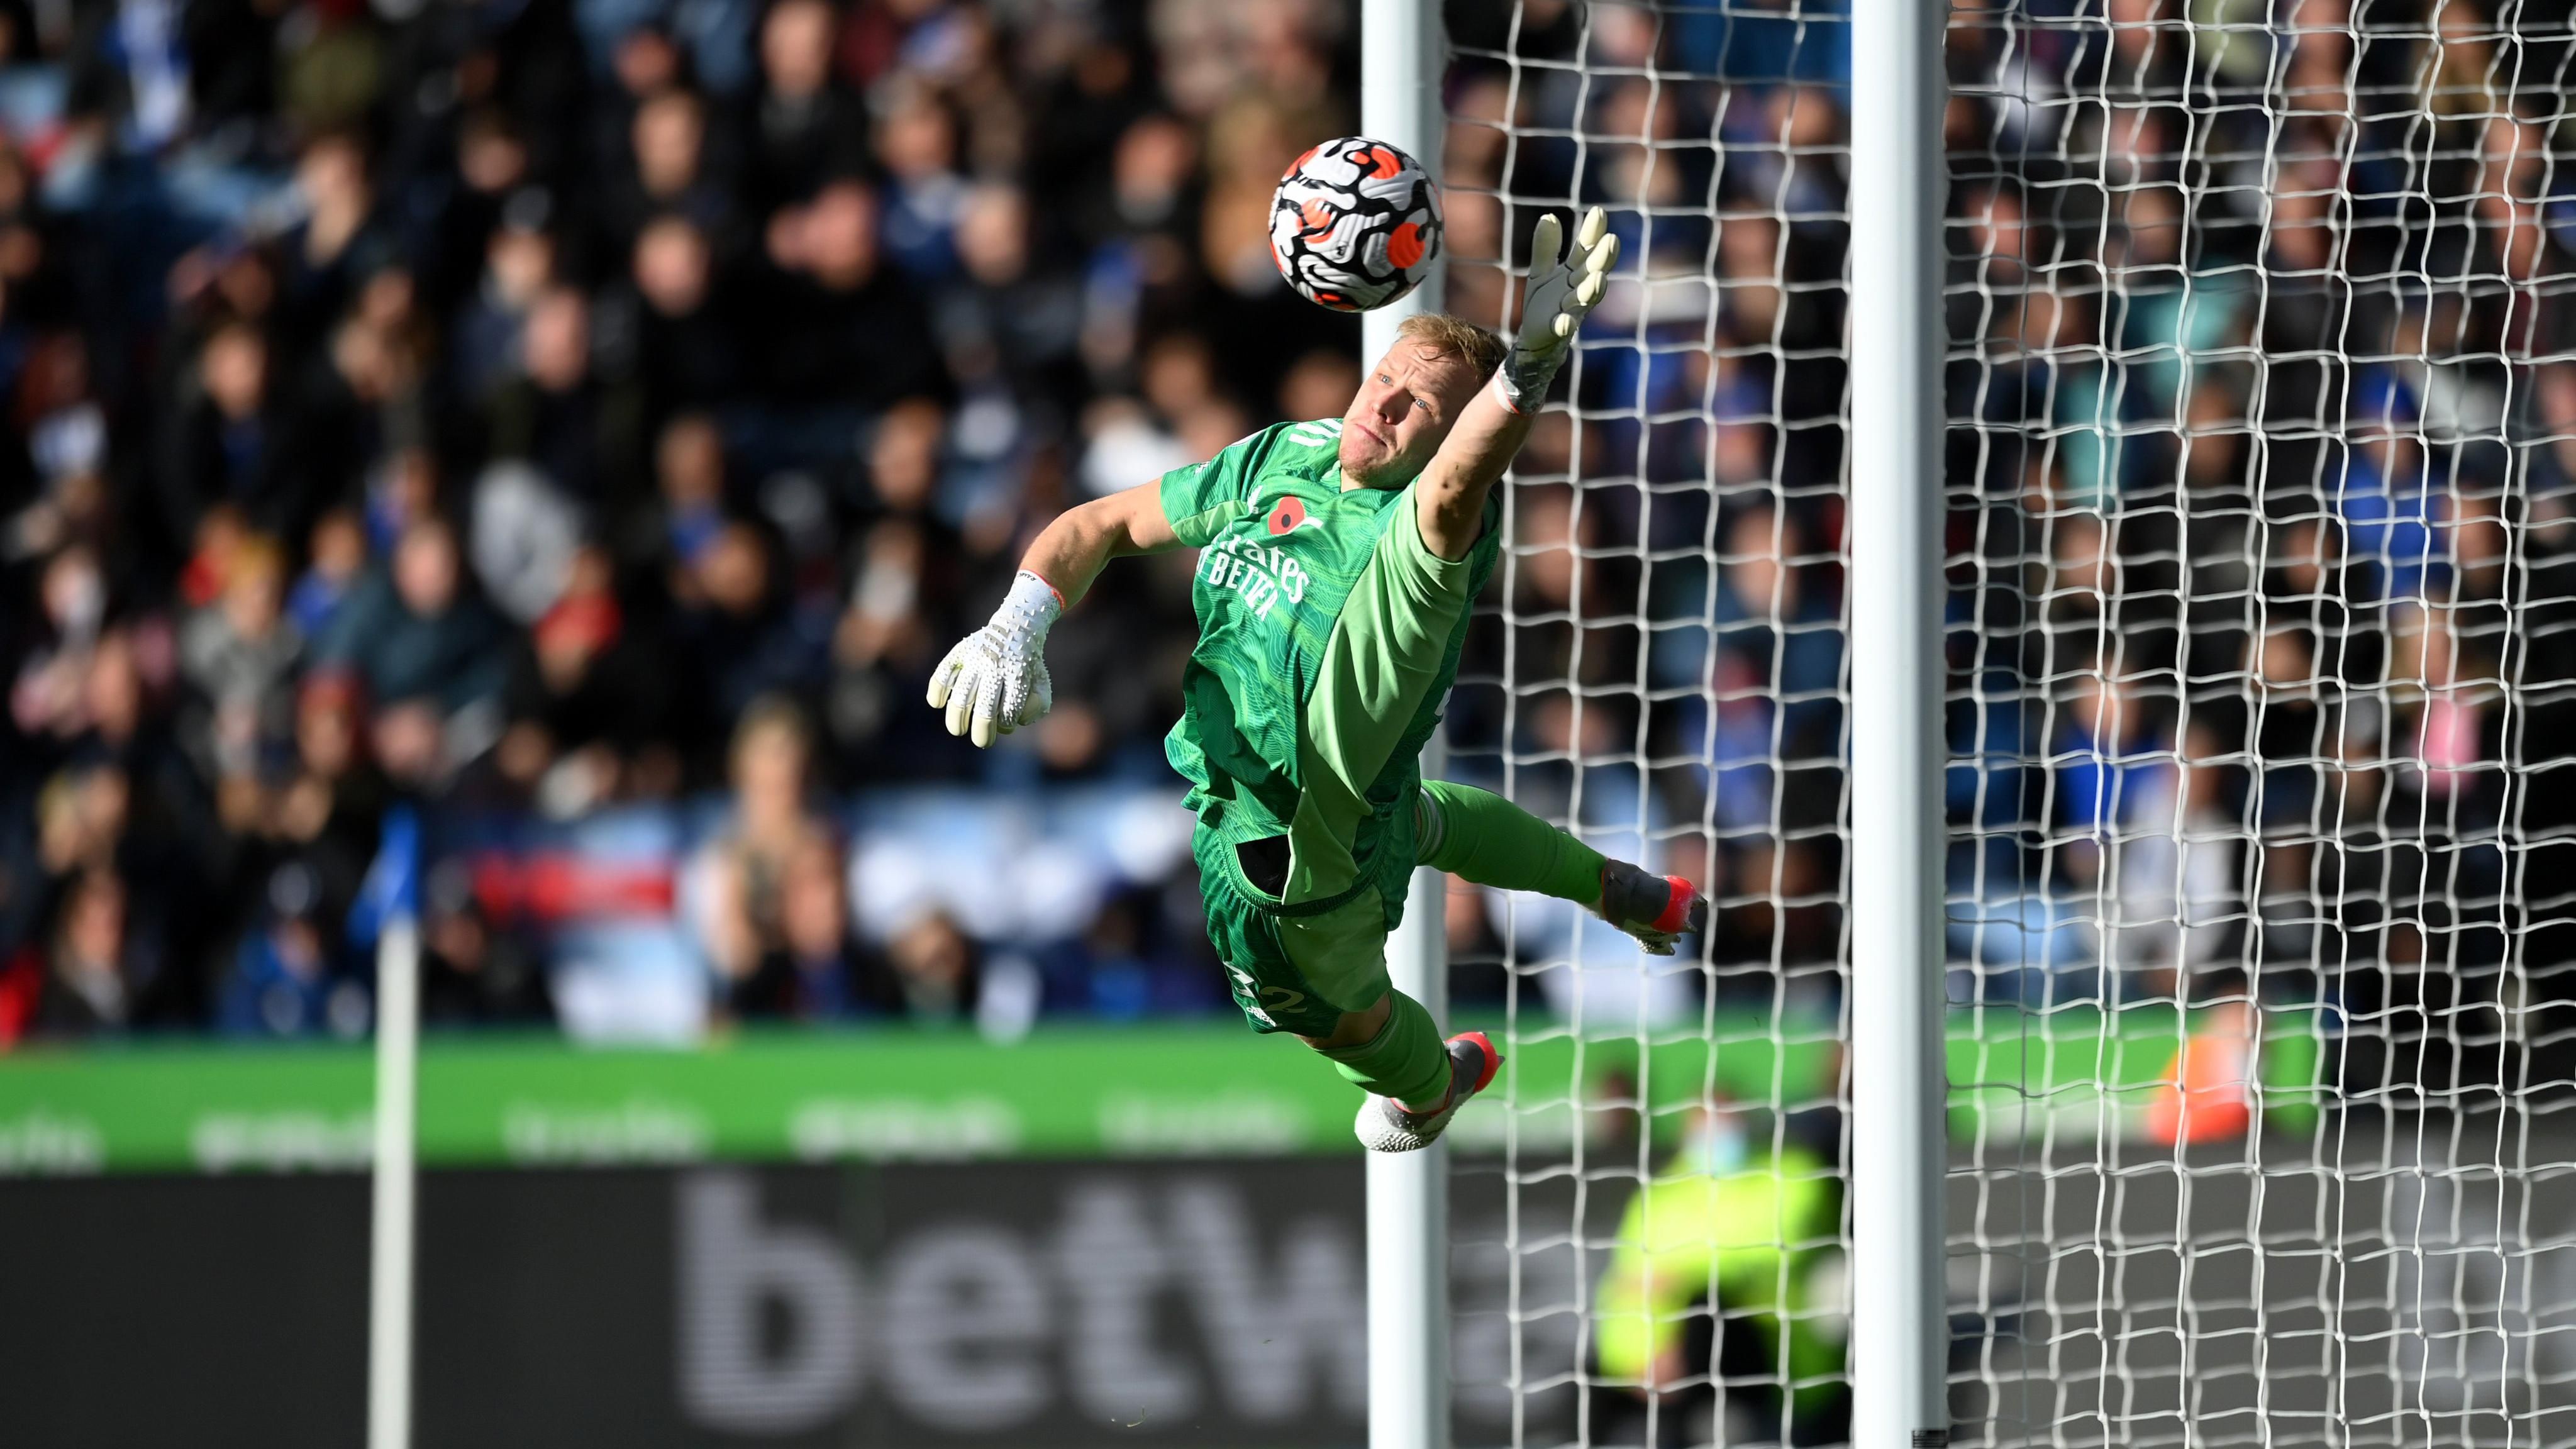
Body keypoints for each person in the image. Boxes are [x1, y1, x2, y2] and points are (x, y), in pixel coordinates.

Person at [928, 210, 1705, 1152]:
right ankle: (1607, 883)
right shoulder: (1285, 455)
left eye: (1416, 407)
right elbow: (1102, 524)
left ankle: (1436, 1084)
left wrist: (1521, 378)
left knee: (1344, 1026)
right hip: (1348, 802)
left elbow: (1458, 485)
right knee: (1417, 819)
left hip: (1291, 873)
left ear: (1454, 439)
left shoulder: (1426, 544)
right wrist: (1020, 621)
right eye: (1383, 382)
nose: (1380, 407)